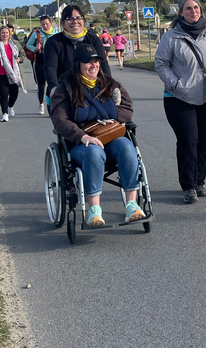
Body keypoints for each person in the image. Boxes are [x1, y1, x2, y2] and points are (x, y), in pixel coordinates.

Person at [50, 43, 146, 227]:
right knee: (94, 151)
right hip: (81, 143)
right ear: (78, 64)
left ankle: (132, 205)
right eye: (88, 62)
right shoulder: (65, 88)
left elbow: (128, 109)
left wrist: (107, 120)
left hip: (110, 137)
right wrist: (82, 135)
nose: (93, 65)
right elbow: (60, 120)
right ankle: (94, 210)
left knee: (127, 147)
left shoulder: (111, 84)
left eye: (96, 61)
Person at [154, 0, 206, 204]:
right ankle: (188, 186)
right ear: (181, 13)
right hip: (178, 97)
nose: (193, 11)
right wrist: (175, 84)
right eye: (188, 8)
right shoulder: (171, 37)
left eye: (196, 7)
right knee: (188, 140)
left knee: (203, 140)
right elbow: (161, 64)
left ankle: (199, 181)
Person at [43, 5, 110, 101]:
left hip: (92, 91)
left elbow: (103, 64)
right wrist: (54, 87)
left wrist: (109, 86)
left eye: (78, 18)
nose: (75, 21)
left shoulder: (93, 39)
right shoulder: (53, 42)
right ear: (62, 23)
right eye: (69, 18)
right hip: (63, 92)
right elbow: (50, 67)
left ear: (83, 21)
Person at [26, 14, 58, 114]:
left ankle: (52, 104)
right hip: (40, 61)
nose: (45, 26)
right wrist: (35, 48)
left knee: (52, 84)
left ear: (51, 23)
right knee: (41, 84)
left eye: (46, 24)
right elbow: (28, 45)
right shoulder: (37, 33)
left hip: (52, 61)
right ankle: (41, 104)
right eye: (43, 24)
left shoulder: (56, 33)